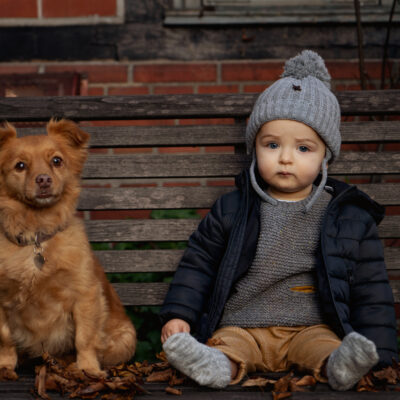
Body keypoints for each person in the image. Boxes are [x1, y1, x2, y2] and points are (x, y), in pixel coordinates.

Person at [159, 50, 398, 391]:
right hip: (242, 326)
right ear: (254, 147)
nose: (285, 158)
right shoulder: (233, 209)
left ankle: (339, 367)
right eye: (272, 144)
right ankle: (215, 367)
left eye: (303, 148)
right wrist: (178, 315)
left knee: (327, 349)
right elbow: (199, 265)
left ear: (325, 156)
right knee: (228, 347)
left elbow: (370, 289)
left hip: (310, 328)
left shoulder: (348, 218)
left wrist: (381, 353)